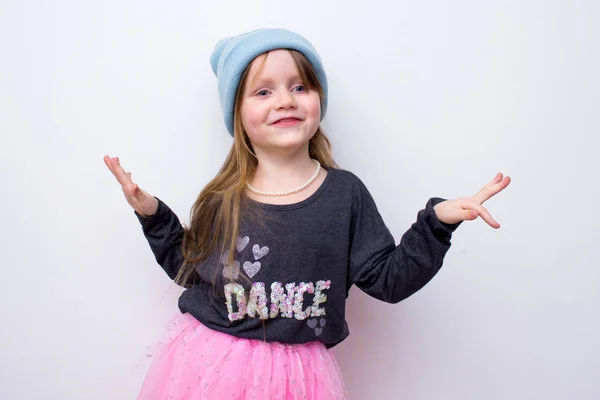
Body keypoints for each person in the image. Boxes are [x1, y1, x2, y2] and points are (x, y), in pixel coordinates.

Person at [104, 28, 511, 400]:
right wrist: (153, 215)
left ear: (318, 100)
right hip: (214, 366)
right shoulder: (223, 198)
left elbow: (389, 280)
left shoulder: (344, 194)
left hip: (299, 379)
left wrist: (437, 224)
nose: (285, 100)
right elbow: (191, 271)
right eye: (263, 92)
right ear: (238, 115)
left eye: (299, 86)